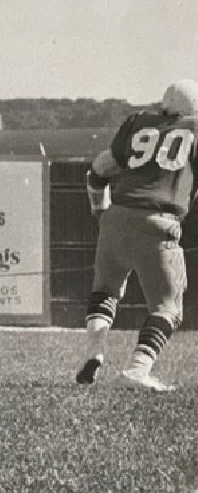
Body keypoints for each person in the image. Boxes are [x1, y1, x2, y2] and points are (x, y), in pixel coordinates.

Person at [75, 79, 198, 392]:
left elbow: (99, 169)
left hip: (116, 215)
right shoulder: (194, 129)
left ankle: (94, 353)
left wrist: (99, 209)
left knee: (104, 292)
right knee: (168, 307)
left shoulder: (137, 123)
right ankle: (138, 368)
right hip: (158, 222)